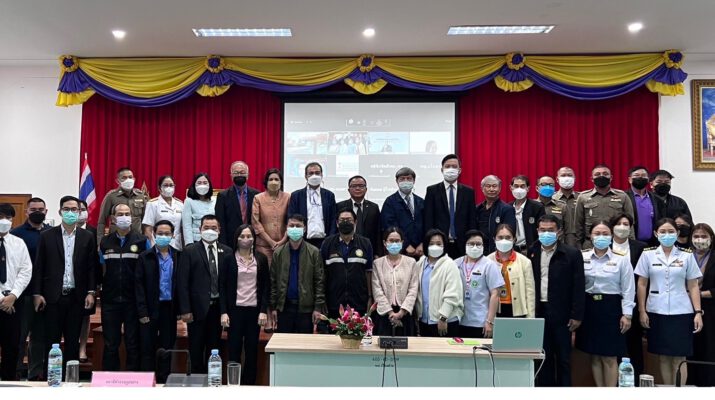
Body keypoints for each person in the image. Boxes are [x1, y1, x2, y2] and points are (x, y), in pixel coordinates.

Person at [33, 196, 98, 375]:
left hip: (77, 297)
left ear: (79, 212)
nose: (70, 212)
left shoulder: (87, 237)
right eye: (67, 209)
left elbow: (92, 267)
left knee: (72, 342)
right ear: (60, 212)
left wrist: (91, 292)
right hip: (52, 297)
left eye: (74, 209)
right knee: (51, 341)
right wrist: (37, 293)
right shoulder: (46, 236)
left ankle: (71, 379)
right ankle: (51, 378)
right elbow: (39, 267)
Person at [635, 218, 703, 385]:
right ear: (655, 234)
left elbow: (693, 285)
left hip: (682, 312)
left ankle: (679, 391)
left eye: (671, 231)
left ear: (677, 233)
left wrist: (697, 312)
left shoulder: (686, 255)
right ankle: (669, 390)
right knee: (663, 356)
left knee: (679, 357)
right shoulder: (648, 254)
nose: (667, 235)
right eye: (663, 232)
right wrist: (642, 311)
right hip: (657, 310)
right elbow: (642, 284)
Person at [575, 221, 635, 387]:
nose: (601, 237)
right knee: (594, 355)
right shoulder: (582, 257)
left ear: (611, 236)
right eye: (597, 233)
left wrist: (627, 315)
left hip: (611, 309)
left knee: (609, 356)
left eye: (605, 234)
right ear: (590, 236)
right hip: (589, 308)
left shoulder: (621, 259)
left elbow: (628, 288)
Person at [528, 214, 585, 387]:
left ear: (559, 232)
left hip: (562, 313)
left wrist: (576, 315)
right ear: (537, 231)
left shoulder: (572, 254)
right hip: (540, 312)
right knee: (543, 358)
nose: (546, 233)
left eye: (550, 230)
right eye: (543, 230)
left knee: (563, 359)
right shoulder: (532, 251)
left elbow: (578, 286)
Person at [176, 214, 232, 373]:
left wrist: (226, 310)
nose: (210, 231)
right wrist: (185, 310)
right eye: (206, 227)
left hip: (217, 310)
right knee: (196, 349)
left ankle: (211, 381)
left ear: (219, 230)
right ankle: (196, 382)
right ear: (200, 229)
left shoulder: (227, 251)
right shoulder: (190, 251)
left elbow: (228, 283)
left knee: (214, 350)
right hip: (196, 310)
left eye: (214, 228)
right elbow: (182, 283)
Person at [98, 204, 148, 371]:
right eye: (120, 214)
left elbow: (147, 271)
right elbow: (101, 269)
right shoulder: (105, 242)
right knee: (111, 344)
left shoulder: (142, 241)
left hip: (133, 300)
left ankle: (134, 379)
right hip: (110, 301)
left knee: (132, 343)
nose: (124, 217)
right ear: (113, 218)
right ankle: (109, 379)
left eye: (127, 214)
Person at [219, 224, 269, 385]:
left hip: (254, 312)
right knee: (234, 351)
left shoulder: (261, 259)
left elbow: (265, 287)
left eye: (249, 236)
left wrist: (263, 310)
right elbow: (222, 287)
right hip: (235, 312)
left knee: (252, 351)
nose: (245, 239)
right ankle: (234, 385)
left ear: (254, 239)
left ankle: (249, 385)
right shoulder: (228, 259)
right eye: (242, 236)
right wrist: (224, 312)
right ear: (237, 239)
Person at [135, 220, 181, 383]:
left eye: (167, 234)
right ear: (154, 234)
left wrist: (180, 310)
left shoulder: (178, 256)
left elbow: (181, 285)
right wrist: (142, 311)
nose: (163, 236)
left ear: (173, 235)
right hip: (150, 308)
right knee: (147, 347)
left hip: (169, 308)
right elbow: (139, 285)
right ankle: (147, 381)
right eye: (160, 233)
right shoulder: (145, 256)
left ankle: (163, 381)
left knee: (167, 347)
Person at [10, 197, 50, 380]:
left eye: (41, 209)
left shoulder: (51, 233)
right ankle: (15, 373)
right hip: (23, 294)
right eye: (33, 210)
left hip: (44, 294)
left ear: (46, 211)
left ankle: (35, 374)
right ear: (26, 212)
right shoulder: (16, 234)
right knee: (19, 336)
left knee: (40, 337)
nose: (37, 212)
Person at [270, 214, 325, 333]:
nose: (294, 228)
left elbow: (319, 282)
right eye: (291, 225)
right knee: (284, 342)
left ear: (304, 229)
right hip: (284, 307)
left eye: (298, 226)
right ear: (286, 228)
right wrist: (273, 307)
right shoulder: (278, 253)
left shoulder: (314, 252)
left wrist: (317, 308)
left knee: (303, 343)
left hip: (306, 309)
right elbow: (273, 282)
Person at [609, 213, 648, 383]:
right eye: (619, 223)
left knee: (633, 345)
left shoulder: (640, 247)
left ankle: (635, 383)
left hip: (633, 301)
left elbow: (643, 278)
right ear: (612, 227)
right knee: (613, 345)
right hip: (611, 302)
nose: (622, 227)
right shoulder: (604, 246)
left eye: (626, 224)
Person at [320, 209, 373, 319]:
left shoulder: (365, 243)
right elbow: (322, 273)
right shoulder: (327, 243)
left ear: (355, 222)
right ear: (337, 223)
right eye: (342, 220)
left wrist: (370, 297)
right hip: (334, 303)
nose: (345, 222)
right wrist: (322, 299)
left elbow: (368, 272)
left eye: (349, 220)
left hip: (359, 302)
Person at [0, 203, 32, 381]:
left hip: (14, 301)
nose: (4, 221)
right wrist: (1, 299)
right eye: (1, 217)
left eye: (8, 218)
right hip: (3, 301)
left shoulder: (18, 243)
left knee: (12, 346)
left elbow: (26, 271)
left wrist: (13, 295)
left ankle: (8, 383)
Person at [423, 154, 477, 259]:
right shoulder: (432, 191)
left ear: (459, 170)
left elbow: (472, 220)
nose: (451, 169)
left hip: (462, 244)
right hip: (439, 244)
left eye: (454, 166)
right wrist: (430, 242)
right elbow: (428, 220)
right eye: (447, 166)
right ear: (442, 170)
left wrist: (471, 242)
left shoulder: (468, 192)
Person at [415, 229, 463, 337]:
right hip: (425, 320)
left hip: (445, 321)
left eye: (438, 244)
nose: (435, 246)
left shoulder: (450, 265)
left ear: (444, 246)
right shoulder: (420, 264)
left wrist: (443, 317)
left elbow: (452, 295)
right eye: (431, 243)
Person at [371, 227, 419, 336]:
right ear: (385, 243)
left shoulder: (411, 262)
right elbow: (377, 290)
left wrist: (402, 312)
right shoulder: (377, 264)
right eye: (391, 241)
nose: (394, 244)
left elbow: (413, 289)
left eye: (397, 241)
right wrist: (390, 312)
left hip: (405, 313)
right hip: (384, 313)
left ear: (402, 242)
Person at [456, 230, 504, 338]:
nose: (475, 247)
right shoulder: (456, 263)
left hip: (481, 322)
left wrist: (490, 321)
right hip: (459, 320)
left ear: (483, 246)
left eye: (478, 244)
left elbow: (495, 294)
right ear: (465, 245)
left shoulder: (489, 265)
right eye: (471, 244)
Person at [575, 164, 634, 249]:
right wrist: (578, 247)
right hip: (591, 244)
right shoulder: (583, 197)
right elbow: (578, 225)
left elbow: (630, 223)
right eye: (597, 174)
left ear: (611, 177)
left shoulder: (622, 196)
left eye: (605, 174)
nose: (601, 176)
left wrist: (631, 243)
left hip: (616, 243)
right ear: (592, 179)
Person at [487, 224, 536, 318]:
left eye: (508, 237)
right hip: (494, 309)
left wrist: (530, 318)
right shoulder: (488, 261)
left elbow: (530, 292)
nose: (504, 240)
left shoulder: (525, 262)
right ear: (494, 239)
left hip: (518, 310)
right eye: (500, 237)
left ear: (514, 239)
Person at [688, 223, 715, 386]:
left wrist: (699, 294)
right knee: (690, 349)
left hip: (710, 309)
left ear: (711, 238)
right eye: (696, 236)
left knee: (708, 348)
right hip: (686, 307)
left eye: (704, 236)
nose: (700, 240)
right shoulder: (685, 255)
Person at [288, 162, 337, 250]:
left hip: (325, 241)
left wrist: (330, 239)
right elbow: (291, 217)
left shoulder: (329, 195)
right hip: (303, 241)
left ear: (322, 175)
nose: (314, 176)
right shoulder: (296, 195)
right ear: (305, 176)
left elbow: (333, 219)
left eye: (317, 173)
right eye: (311, 173)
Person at [381, 167, 424, 258]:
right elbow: (389, 226)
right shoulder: (390, 202)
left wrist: (423, 243)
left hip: (420, 251)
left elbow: (427, 224)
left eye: (409, 178)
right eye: (402, 179)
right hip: (399, 250)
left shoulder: (421, 201)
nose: (406, 181)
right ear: (397, 181)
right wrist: (406, 245)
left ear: (414, 181)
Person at [96, 167, 148, 243]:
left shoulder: (140, 195)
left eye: (130, 177)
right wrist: (100, 242)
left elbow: (145, 220)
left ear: (134, 179)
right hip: (116, 239)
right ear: (118, 181)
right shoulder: (111, 196)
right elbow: (102, 221)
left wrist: (145, 238)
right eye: (124, 178)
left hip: (137, 239)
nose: (128, 180)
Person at [216, 161, 260, 247]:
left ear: (248, 175)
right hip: (230, 241)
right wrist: (223, 245)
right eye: (236, 173)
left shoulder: (257, 195)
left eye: (242, 172)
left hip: (252, 239)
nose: (239, 175)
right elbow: (220, 222)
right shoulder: (223, 196)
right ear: (231, 175)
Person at [336, 175, 381, 258]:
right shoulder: (340, 206)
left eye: (361, 186)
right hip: (344, 248)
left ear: (366, 189)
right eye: (354, 186)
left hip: (368, 248)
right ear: (349, 190)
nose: (357, 188)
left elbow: (378, 232)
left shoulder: (373, 207)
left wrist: (377, 253)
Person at [252, 168, 290, 265]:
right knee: (266, 271)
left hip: (284, 245)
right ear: (266, 182)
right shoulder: (258, 198)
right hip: (263, 246)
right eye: (271, 179)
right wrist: (270, 242)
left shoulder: (288, 197)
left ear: (281, 182)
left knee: (283, 271)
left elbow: (290, 221)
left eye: (276, 179)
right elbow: (256, 222)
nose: (274, 182)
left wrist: (282, 241)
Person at [77, 199, 97, 363]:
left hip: (86, 282)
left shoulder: (94, 232)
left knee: (84, 317)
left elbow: (95, 261)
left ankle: (82, 348)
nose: (79, 212)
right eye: (76, 209)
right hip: (65, 283)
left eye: (82, 209)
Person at [476, 175, 517, 254]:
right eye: (488, 186)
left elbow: (510, 233)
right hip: (479, 250)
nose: (491, 189)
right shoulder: (477, 209)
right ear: (482, 188)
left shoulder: (507, 209)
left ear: (500, 188)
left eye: (494, 186)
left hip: (499, 251)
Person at [142, 175, 184, 250]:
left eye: (171, 185)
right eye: (165, 185)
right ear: (159, 188)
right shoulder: (152, 204)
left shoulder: (180, 204)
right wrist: (152, 247)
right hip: (159, 243)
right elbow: (148, 229)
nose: (169, 188)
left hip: (177, 245)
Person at [510, 175, 545, 253]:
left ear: (528, 188)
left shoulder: (537, 207)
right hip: (511, 250)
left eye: (522, 186)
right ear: (511, 188)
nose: (519, 189)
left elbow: (542, 230)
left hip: (531, 249)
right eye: (516, 186)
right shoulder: (507, 208)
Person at [625, 166, 657, 245]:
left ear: (648, 179)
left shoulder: (655, 198)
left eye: (643, 175)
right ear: (630, 180)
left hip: (653, 243)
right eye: (636, 175)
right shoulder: (624, 197)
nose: (640, 178)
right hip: (632, 242)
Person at [182, 172, 216, 246]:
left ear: (209, 185)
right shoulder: (189, 201)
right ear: (194, 185)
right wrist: (189, 244)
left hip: (213, 240)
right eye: (199, 183)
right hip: (196, 240)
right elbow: (187, 226)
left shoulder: (215, 201)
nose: (202, 185)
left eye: (205, 183)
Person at [553, 166, 580, 247]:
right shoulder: (552, 199)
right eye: (563, 175)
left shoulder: (582, 198)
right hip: (556, 243)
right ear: (557, 179)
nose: (567, 178)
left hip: (579, 242)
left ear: (574, 179)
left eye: (569, 175)